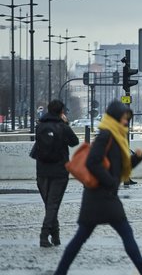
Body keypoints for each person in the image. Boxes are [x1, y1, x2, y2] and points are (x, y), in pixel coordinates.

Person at [54, 101, 142, 275]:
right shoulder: (106, 135)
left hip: (100, 196)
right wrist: (110, 182)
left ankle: (60, 273)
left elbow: (118, 169)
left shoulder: (116, 136)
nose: (126, 122)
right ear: (115, 117)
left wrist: (136, 159)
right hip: (101, 196)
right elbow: (92, 162)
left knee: (82, 238)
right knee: (120, 234)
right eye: (123, 117)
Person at [35, 100, 79, 247]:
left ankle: (55, 236)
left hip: (41, 171)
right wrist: (66, 124)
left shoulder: (39, 126)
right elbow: (74, 142)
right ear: (61, 112)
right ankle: (44, 235)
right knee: (53, 205)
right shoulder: (62, 127)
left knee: (49, 205)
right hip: (59, 171)